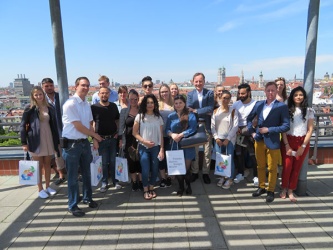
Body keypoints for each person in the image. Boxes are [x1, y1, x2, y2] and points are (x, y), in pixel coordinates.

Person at [62, 77, 103, 217]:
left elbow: (90, 122)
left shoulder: (86, 103)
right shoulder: (70, 104)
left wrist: (93, 138)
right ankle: (72, 205)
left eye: (87, 85)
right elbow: (78, 126)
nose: (85, 88)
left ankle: (87, 198)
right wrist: (95, 136)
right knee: (73, 177)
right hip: (72, 145)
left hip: (84, 143)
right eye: (83, 85)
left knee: (87, 173)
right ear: (76, 87)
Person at [247, 81, 290, 203]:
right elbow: (249, 119)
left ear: (276, 91)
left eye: (273, 90)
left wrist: (269, 129)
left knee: (272, 168)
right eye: (268, 90)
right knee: (260, 165)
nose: (270, 92)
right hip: (259, 140)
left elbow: (286, 126)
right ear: (265, 91)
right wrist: (252, 132)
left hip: (273, 140)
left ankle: (271, 190)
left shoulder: (281, 106)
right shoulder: (259, 104)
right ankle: (261, 187)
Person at [20, 86, 60, 198]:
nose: (39, 96)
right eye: (36, 95)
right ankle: (40, 189)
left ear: (43, 95)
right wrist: (24, 142)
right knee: (37, 166)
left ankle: (47, 186)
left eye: (40, 94)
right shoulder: (29, 108)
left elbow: (54, 126)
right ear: (33, 96)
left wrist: (56, 141)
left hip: (48, 139)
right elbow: (22, 126)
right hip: (35, 141)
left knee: (48, 164)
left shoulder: (50, 107)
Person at [281, 86, 314, 202]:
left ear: (304, 96)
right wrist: (286, 145)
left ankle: (291, 190)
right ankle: (284, 188)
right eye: (296, 95)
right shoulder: (287, 109)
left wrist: (303, 146)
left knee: (296, 168)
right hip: (288, 140)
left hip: (302, 141)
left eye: (300, 95)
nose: (298, 97)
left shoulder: (309, 111)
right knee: (287, 166)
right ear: (292, 97)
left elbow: (310, 130)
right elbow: (284, 129)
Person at [132, 94, 164, 200]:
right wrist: (144, 141)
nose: (150, 105)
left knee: (155, 169)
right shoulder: (140, 116)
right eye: (148, 103)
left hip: (155, 148)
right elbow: (134, 132)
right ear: (144, 104)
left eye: (152, 102)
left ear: (155, 104)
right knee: (145, 170)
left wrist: (162, 149)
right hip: (143, 147)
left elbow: (161, 135)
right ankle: (145, 189)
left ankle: (151, 188)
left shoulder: (158, 117)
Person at [165, 95, 197, 196]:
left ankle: (188, 185)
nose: (178, 105)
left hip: (187, 145)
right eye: (176, 103)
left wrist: (182, 134)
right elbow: (167, 129)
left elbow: (193, 128)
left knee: (186, 169)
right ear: (174, 104)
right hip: (175, 145)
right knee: (178, 168)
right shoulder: (171, 116)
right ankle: (181, 187)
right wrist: (172, 134)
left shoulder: (190, 115)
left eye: (180, 103)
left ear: (184, 103)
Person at [187, 72, 214, 184]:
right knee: (195, 151)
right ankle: (195, 172)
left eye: (200, 81)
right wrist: (204, 111)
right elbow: (189, 108)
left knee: (207, 151)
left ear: (204, 81)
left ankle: (205, 173)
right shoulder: (190, 94)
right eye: (196, 81)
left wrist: (196, 111)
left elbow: (211, 108)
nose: (198, 83)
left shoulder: (209, 93)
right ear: (193, 82)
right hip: (195, 125)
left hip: (207, 125)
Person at [91, 87, 120, 192]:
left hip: (113, 138)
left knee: (113, 161)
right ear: (98, 94)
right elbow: (92, 123)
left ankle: (115, 180)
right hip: (101, 139)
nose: (104, 95)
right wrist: (94, 137)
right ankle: (104, 182)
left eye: (106, 93)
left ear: (109, 94)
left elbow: (117, 120)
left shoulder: (113, 106)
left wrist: (118, 133)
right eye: (102, 93)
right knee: (103, 162)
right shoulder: (94, 107)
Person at [231, 84, 258, 186]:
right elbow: (232, 117)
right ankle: (240, 173)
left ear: (249, 93)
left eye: (243, 93)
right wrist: (236, 127)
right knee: (239, 154)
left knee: (253, 155)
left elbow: (257, 119)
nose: (240, 95)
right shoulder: (236, 104)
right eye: (239, 93)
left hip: (250, 131)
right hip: (238, 131)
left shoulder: (255, 104)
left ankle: (256, 176)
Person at [211, 90, 238, 189]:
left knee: (229, 159)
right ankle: (222, 176)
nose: (225, 100)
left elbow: (235, 126)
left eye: (227, 98)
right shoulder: (216, 111)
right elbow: (212, 126)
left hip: (229, 139)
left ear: (230, 99)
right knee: (220, 159)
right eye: (223, 98)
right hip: (218, 139)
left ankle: (230, 178)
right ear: (220, 98)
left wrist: (228, 139)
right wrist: (216, 138)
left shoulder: (233, 111)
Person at [41, 78, 66, 185]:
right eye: (46, 86)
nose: (49, 88)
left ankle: (73, 172)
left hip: (65, 128)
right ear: (43, 87)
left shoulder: (60, 97)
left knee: (69, 152)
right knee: (57, 154)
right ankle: (61, 175)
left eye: (51, 85)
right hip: (51, 131)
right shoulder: (41, 100)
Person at [119, 89, 143, 191]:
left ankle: (141, 181)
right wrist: (120, 140)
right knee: (132, 161)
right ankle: (134, 181)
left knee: (141, 160)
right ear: (128, 99)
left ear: (138, 99)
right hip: (128, 140)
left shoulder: (142, 110)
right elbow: (121, 127)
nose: (133, 101)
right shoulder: (124, 111)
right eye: (131, 99)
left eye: (135, 99)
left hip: (141, 139)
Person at [158, 84, 174, 188]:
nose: (164, 93)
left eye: (166, 91)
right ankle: (163, 177)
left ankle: (170, 176)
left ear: (169, 92)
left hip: (171, 135)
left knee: (170, 156)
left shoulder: (174, 104)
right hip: (160, 135)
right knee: (161, 157)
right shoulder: (157, 104)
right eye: (162, 92)